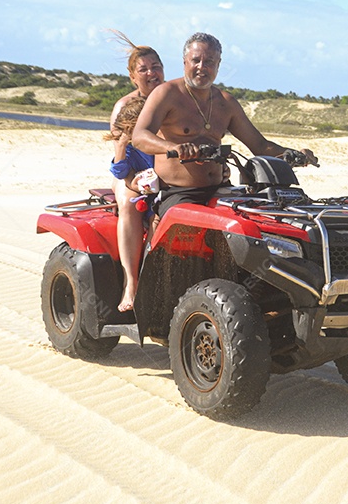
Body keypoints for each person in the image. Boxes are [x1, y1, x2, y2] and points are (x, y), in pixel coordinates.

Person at [132, 31, 316, 214]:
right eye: (196, 60)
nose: (201, 67)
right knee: (191, 226)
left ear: (218, 65)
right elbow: (140, 137)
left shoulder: (226, 103)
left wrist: (295, 153)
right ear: (185, 62)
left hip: (220, 189)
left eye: (209, 62)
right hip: (179, 192)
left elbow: (260, 145)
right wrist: (173, 147)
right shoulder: (166, 94)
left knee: (261, 220)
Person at [108, 31, 164, 312]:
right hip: (133, 174)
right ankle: (131, 284)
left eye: (156, 66)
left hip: (168, 174)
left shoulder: (176, 100)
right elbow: (120, 165)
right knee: (130, 205)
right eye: (144, 69)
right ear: (133, 76)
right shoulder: (125, 108)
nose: (152, 72)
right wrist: (135, 182)